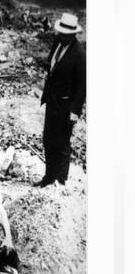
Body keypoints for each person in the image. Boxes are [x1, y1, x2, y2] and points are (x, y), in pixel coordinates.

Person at [36, 12, 86, 187]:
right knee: (48, 139)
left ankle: (61, 181)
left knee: (62, 143)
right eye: (61, 33)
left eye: (65, 35)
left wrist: (75, 111)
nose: (62, 37)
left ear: (73, 34)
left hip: (66, 105)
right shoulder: (57, 41)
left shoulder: (79, 54)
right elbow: (53, 64)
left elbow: (82, 86)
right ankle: (49, 177)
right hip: (52, 100)